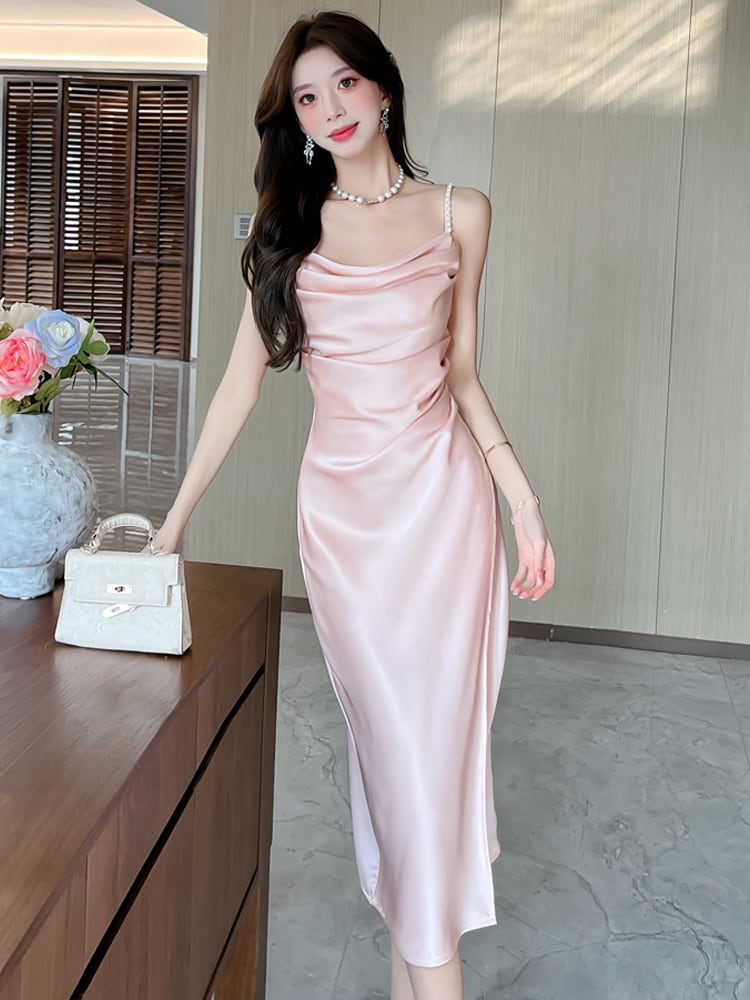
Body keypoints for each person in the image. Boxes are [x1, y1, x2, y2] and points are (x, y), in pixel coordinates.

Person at [155, 11, 555, 999]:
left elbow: (462, 376)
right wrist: (172, 524)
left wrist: (522, 502)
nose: (330, 107)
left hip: (447, 515)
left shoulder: (462, 213)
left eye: (344, 83)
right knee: (397, 760)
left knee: (429, 771)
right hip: (346, 531)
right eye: (307, 97)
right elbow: (239, 387)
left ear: (383, 88)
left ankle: (422, 965)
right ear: (293, 121)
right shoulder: (288, 233)